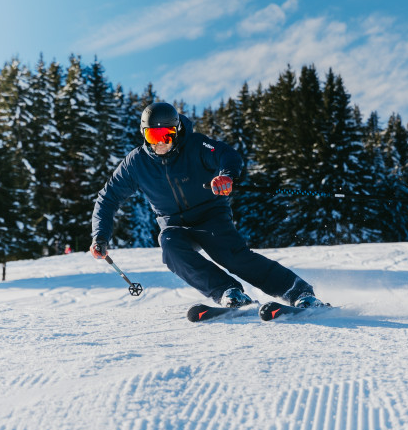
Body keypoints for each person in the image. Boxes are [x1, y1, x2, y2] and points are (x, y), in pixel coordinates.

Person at [90, 101, 324, 308]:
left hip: (211, 215)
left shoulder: (195, 145)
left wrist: (226, 175)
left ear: (177, 129)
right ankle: (227, 292)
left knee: (233, 257)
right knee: (170, 247)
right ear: (144, 134)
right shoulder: (136, 163)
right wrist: (100, 236)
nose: (160, 142)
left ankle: (298, 291)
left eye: (166, 135)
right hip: (174, 224)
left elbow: (227, 154)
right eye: (153, 136)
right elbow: (107, 198)